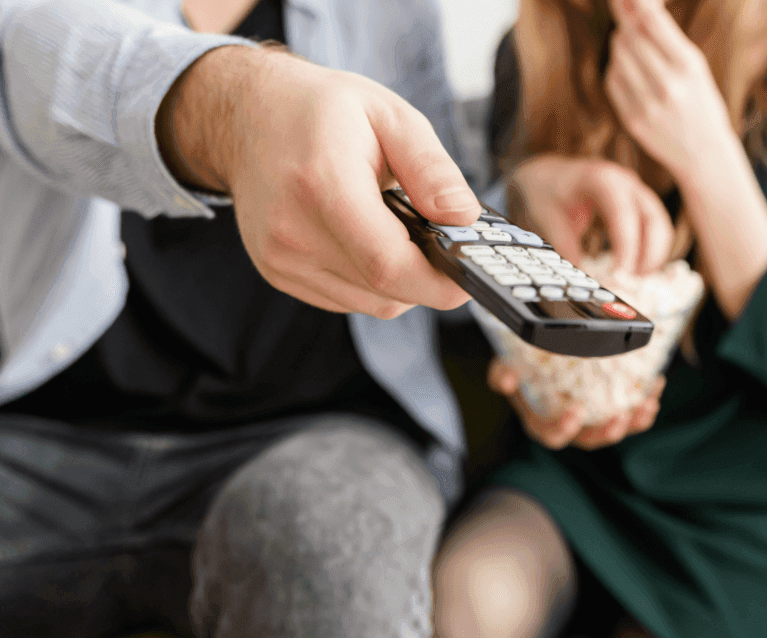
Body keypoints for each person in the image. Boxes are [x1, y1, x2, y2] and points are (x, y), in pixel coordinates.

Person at [0, 0, 670, 635]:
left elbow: (421, 180)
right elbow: (33, 52)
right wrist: (234, 108)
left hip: (322, 433)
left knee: (333, 555)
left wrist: (516, 194)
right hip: (35, 427)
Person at [432, 0, 767, 636]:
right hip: (586, 479)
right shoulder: (532, 53)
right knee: (466, 596)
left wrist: (706, 151)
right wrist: (544, 386)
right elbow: (529, 322)